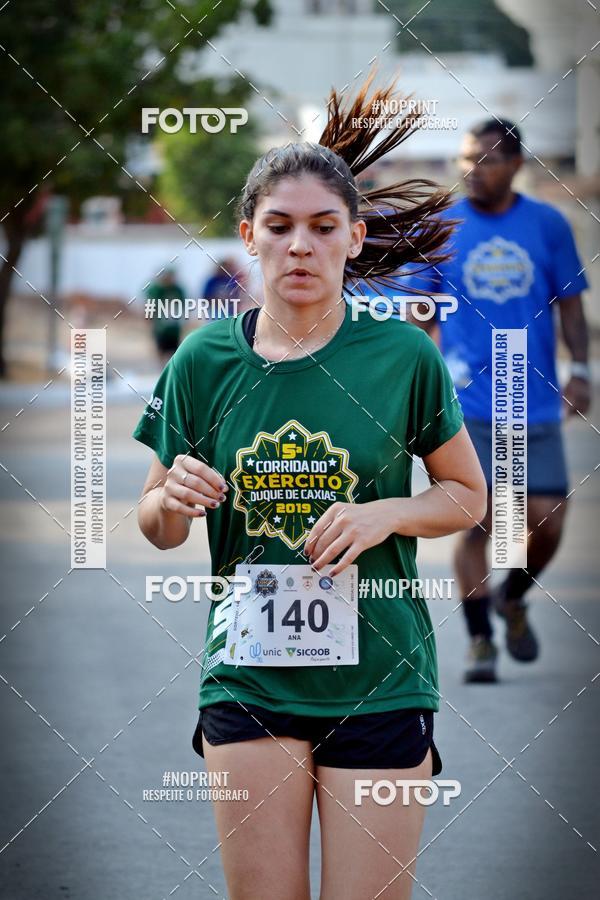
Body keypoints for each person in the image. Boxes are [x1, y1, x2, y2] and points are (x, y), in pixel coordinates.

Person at [133, 75, 487, 900]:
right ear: (249, 235)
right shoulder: (204, 361)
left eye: (324, 228)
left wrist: (385, 513)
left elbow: (466, 495)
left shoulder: (403, 358)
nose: (301, 246)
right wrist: (170, 498)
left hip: (383, 674)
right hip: (247, 678)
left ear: (355, 238)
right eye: (281, 227)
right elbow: (155, 526)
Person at [402, 118, 591, 683]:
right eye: (464, 158)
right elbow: (419, 312)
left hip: (532, 395)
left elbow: (572, 304)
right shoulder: (440, 226)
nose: (470, 171)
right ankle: (480, 639)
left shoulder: (548, 225)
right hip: (467, 400)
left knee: (546, 519)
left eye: (484, 159)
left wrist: (579, 367)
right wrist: (416, 382)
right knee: (479, 521)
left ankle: (513, 597)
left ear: (514, 165)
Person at [145, 265, 185, 365]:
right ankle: (162, 368)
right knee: (161, 348)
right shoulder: (156, 289)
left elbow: (184, 305)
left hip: (174, 325)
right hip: (160, 325)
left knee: (174, 349)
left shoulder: (177, 289)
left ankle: (172, 368)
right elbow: (150, 304)